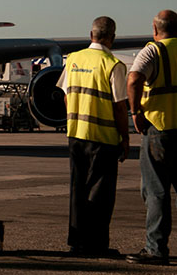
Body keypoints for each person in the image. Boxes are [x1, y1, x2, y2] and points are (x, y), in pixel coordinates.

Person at [56, 16, 130, 256]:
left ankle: (76, 242)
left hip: (76, 134)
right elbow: (120, 106)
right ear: (112, 38)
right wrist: (125, 138)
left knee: (77, 189)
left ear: (91, 35)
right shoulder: (113, 65)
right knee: (100, 193)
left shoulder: (74, 59)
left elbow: (66, 95)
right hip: (103, 137)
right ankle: (97, 245)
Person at [126, 9, 177, 266]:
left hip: (159, 129)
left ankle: (156, 249)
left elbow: (134, 79)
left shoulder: (153, 51)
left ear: (155, 30)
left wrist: (135, 112)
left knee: (156, 191)